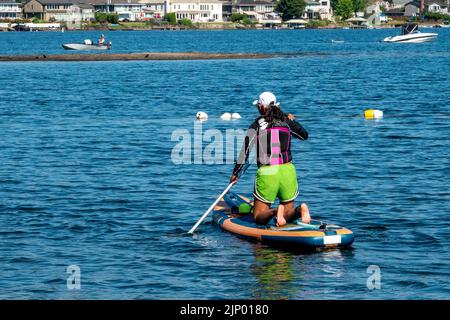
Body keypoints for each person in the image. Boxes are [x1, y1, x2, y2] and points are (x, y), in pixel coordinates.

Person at [230, 92, 310, 227]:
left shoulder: (256, 125)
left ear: (261, 107)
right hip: (287, 171)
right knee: (288, 214)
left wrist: (235, 173)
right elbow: (304, 135)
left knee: (258, 217)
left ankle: (274, 212)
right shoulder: (286, 121)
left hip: (268, 173)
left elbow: (245, 152)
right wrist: (291, 120)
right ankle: (299, 209)